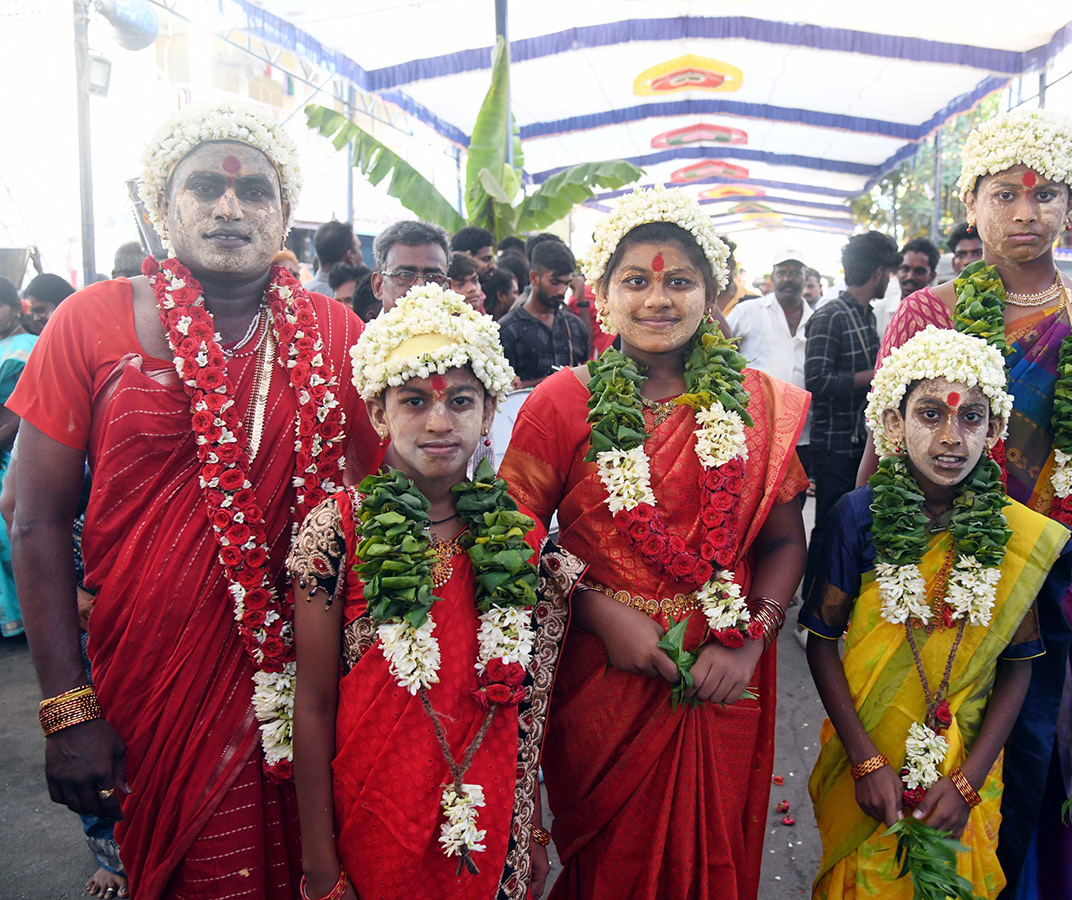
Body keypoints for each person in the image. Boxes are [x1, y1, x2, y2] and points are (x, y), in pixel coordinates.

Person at [6, 100, 382, 899]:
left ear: (285, 214)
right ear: (160, 205)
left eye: (253, 194)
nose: (227, 207)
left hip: (307, 681)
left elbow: (389, 502)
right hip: (148, 684)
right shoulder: (89, 321)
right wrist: (67, 709)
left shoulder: (340, 333)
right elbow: (34, 518)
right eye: (203, 186)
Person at [864, 109, 1072, 900]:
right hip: (937, 585)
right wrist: (857, 588)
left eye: (1046, 197)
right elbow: (881, 454)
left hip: (1059, 589)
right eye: (1005, 194)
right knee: (928, 779)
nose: (1025, 214)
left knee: (1037, 780)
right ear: (971, 203)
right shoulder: (926, 312)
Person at [499, 186, 810, 900]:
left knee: (710, 858)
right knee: (608, 866)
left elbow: (787, 541)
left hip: (724, 672)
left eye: (679, 281)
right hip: (601, 679)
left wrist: (752, 640)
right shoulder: (561, 402)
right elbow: (510, 541)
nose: (658, 300)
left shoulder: (757, 402)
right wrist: (597, 611)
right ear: (602, 294)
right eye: (635, 281)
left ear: (714, 292)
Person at [290, 285, 570, 900]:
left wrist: (534, 830)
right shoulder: (336, 530)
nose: (440, 422)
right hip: (374, 814)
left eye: (461, 401)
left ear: (490, 410)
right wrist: (317, 865)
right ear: (377, 413)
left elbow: (526, 704)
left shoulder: (516, 535)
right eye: (414, 401)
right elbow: (311, 706)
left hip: (492, 818)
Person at [805, 326, 1072, 899]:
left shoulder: (1009, 531)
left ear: (995, 429)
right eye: (930, 414)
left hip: (966, 764)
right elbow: (822, 642)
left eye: (971, 418)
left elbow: (1019, 665)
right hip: (869, 746)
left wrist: (969, 781)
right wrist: (863, 760)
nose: (951, 438)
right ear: (894, 425)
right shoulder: (856, 516)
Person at [804, 231, 897, 587]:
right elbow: (817, 380)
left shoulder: (864, 315)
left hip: (861, 443)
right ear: (878, 272)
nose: (889, 279)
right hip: (834, 445)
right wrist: (875, 376)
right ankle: (814, 609)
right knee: (829, 527)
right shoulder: (831, 316)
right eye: (888, 272)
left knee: (852, 528)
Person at [726, 248, 816, 502]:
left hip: (801, 433)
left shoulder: (816, 318)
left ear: (805, 277)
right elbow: (722, 345)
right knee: (752, 500)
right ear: (773, 277)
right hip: (756, 429)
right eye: (782, 272)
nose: (788, 278)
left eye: (795, 272)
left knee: (793, 500)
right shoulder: (750, 310)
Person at [498, 240, 589, 387]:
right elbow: (505, 390)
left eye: (566, 283)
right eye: (555, 282)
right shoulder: (507, 330)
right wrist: (557, 380)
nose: (561, 290)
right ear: (534, 278)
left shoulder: (574, 325)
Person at [0, 277, 36, 638]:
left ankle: (32, 613)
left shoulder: (27, 349)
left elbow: (20, 414)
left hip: (15, 451)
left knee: (20, 527)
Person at [370, 220, 450, 314]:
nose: (420, 287)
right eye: (405, 275)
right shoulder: (363, 329)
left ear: (448, 289)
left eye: (434, 277)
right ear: (378, 286)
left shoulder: (467, 328)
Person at [306, 220, 363, 296]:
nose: (361, 253)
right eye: (359, 248)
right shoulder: (353, 298)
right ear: (350, 256)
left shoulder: (301, 293)